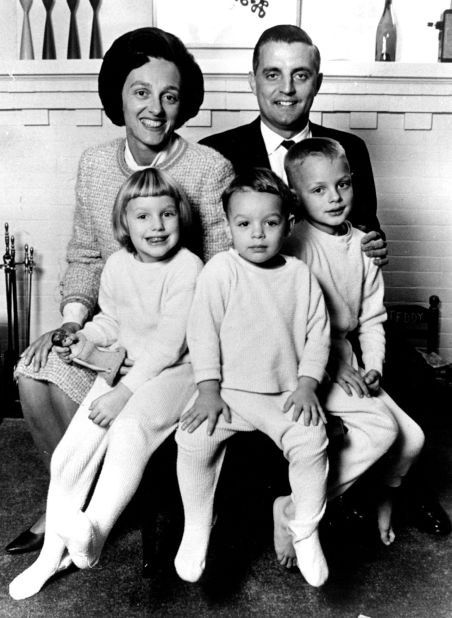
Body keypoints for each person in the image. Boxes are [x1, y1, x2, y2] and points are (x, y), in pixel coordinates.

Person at [200, 24, 451, 537]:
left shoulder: (347, 148)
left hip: (349, 316)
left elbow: (363, 228)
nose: (286, 88)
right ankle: (290, 502)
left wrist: (373, 243)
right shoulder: (217, 153)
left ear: (317, 82)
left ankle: (400, 491)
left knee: (417, 381)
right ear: (253, 81)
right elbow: (215, 247)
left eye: (300, 75)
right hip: (272, 322)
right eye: (273, 74)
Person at [6, 27, 234, 555]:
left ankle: (97, 504)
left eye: (169, 96)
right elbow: (85, 253)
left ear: (184, 104)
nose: (155, 109)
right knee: (32, 373)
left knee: (120, 404)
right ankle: (67, 497)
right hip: (110, 330)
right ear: (118, 95)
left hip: (175, 346)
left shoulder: (207, 169)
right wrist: (70, 322)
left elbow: (225, 274)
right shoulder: (93, 165)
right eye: (141, 92)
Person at [173, 168, 397, 587]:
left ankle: (306, 528)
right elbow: (201, 332)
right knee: (193, 439)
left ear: (289, 226)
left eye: (270, 223)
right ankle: (197, 525)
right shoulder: (221, 270)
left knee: (312, 441)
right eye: (244, 224)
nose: (257, 234)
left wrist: (309, 384)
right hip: (229, 393)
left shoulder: (298, 274)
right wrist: (207, 389)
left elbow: (318, 334)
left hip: (284, 393)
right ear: (228, 228)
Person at [9, 167, 204, 600]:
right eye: (143, 217)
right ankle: (51, 558)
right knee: (72, 451)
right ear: (124, 224)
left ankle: (92, 536)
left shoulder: (188, 267)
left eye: (167, 214)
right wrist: (82, 338)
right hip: (125, 369)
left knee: (128, 431)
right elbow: (110, 322)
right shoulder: (117, 264)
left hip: (177, 372)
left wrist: (123, 394)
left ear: (181, 217)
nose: (157, 226)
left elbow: (170, 346)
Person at [281, 137, 425, 549]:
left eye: (342, 184)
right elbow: (290, 326)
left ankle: (383, 496)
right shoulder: (295, 247)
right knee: (381, 430)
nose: (334, 197)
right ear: (295, 196)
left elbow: (373, 319)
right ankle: (297, 508)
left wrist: (373, 365)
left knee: (412, 439)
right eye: (318, 189)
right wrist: (332, 368)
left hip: (350, 358)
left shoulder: (364, 245)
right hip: (310, 364)